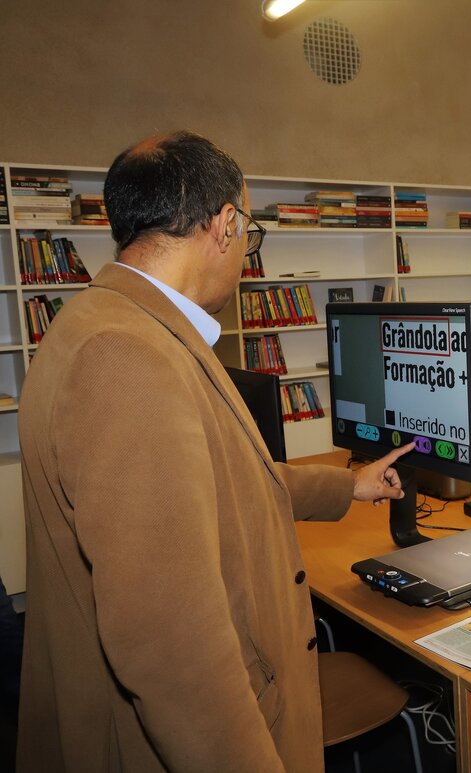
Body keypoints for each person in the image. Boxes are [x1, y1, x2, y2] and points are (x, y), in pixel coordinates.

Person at [17, 131, 413, 772]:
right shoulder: (128, 358)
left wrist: (348, 486)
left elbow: (221, 478)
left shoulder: (104, 322)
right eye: (249, 231)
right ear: (225, 225)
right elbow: (170, 647)